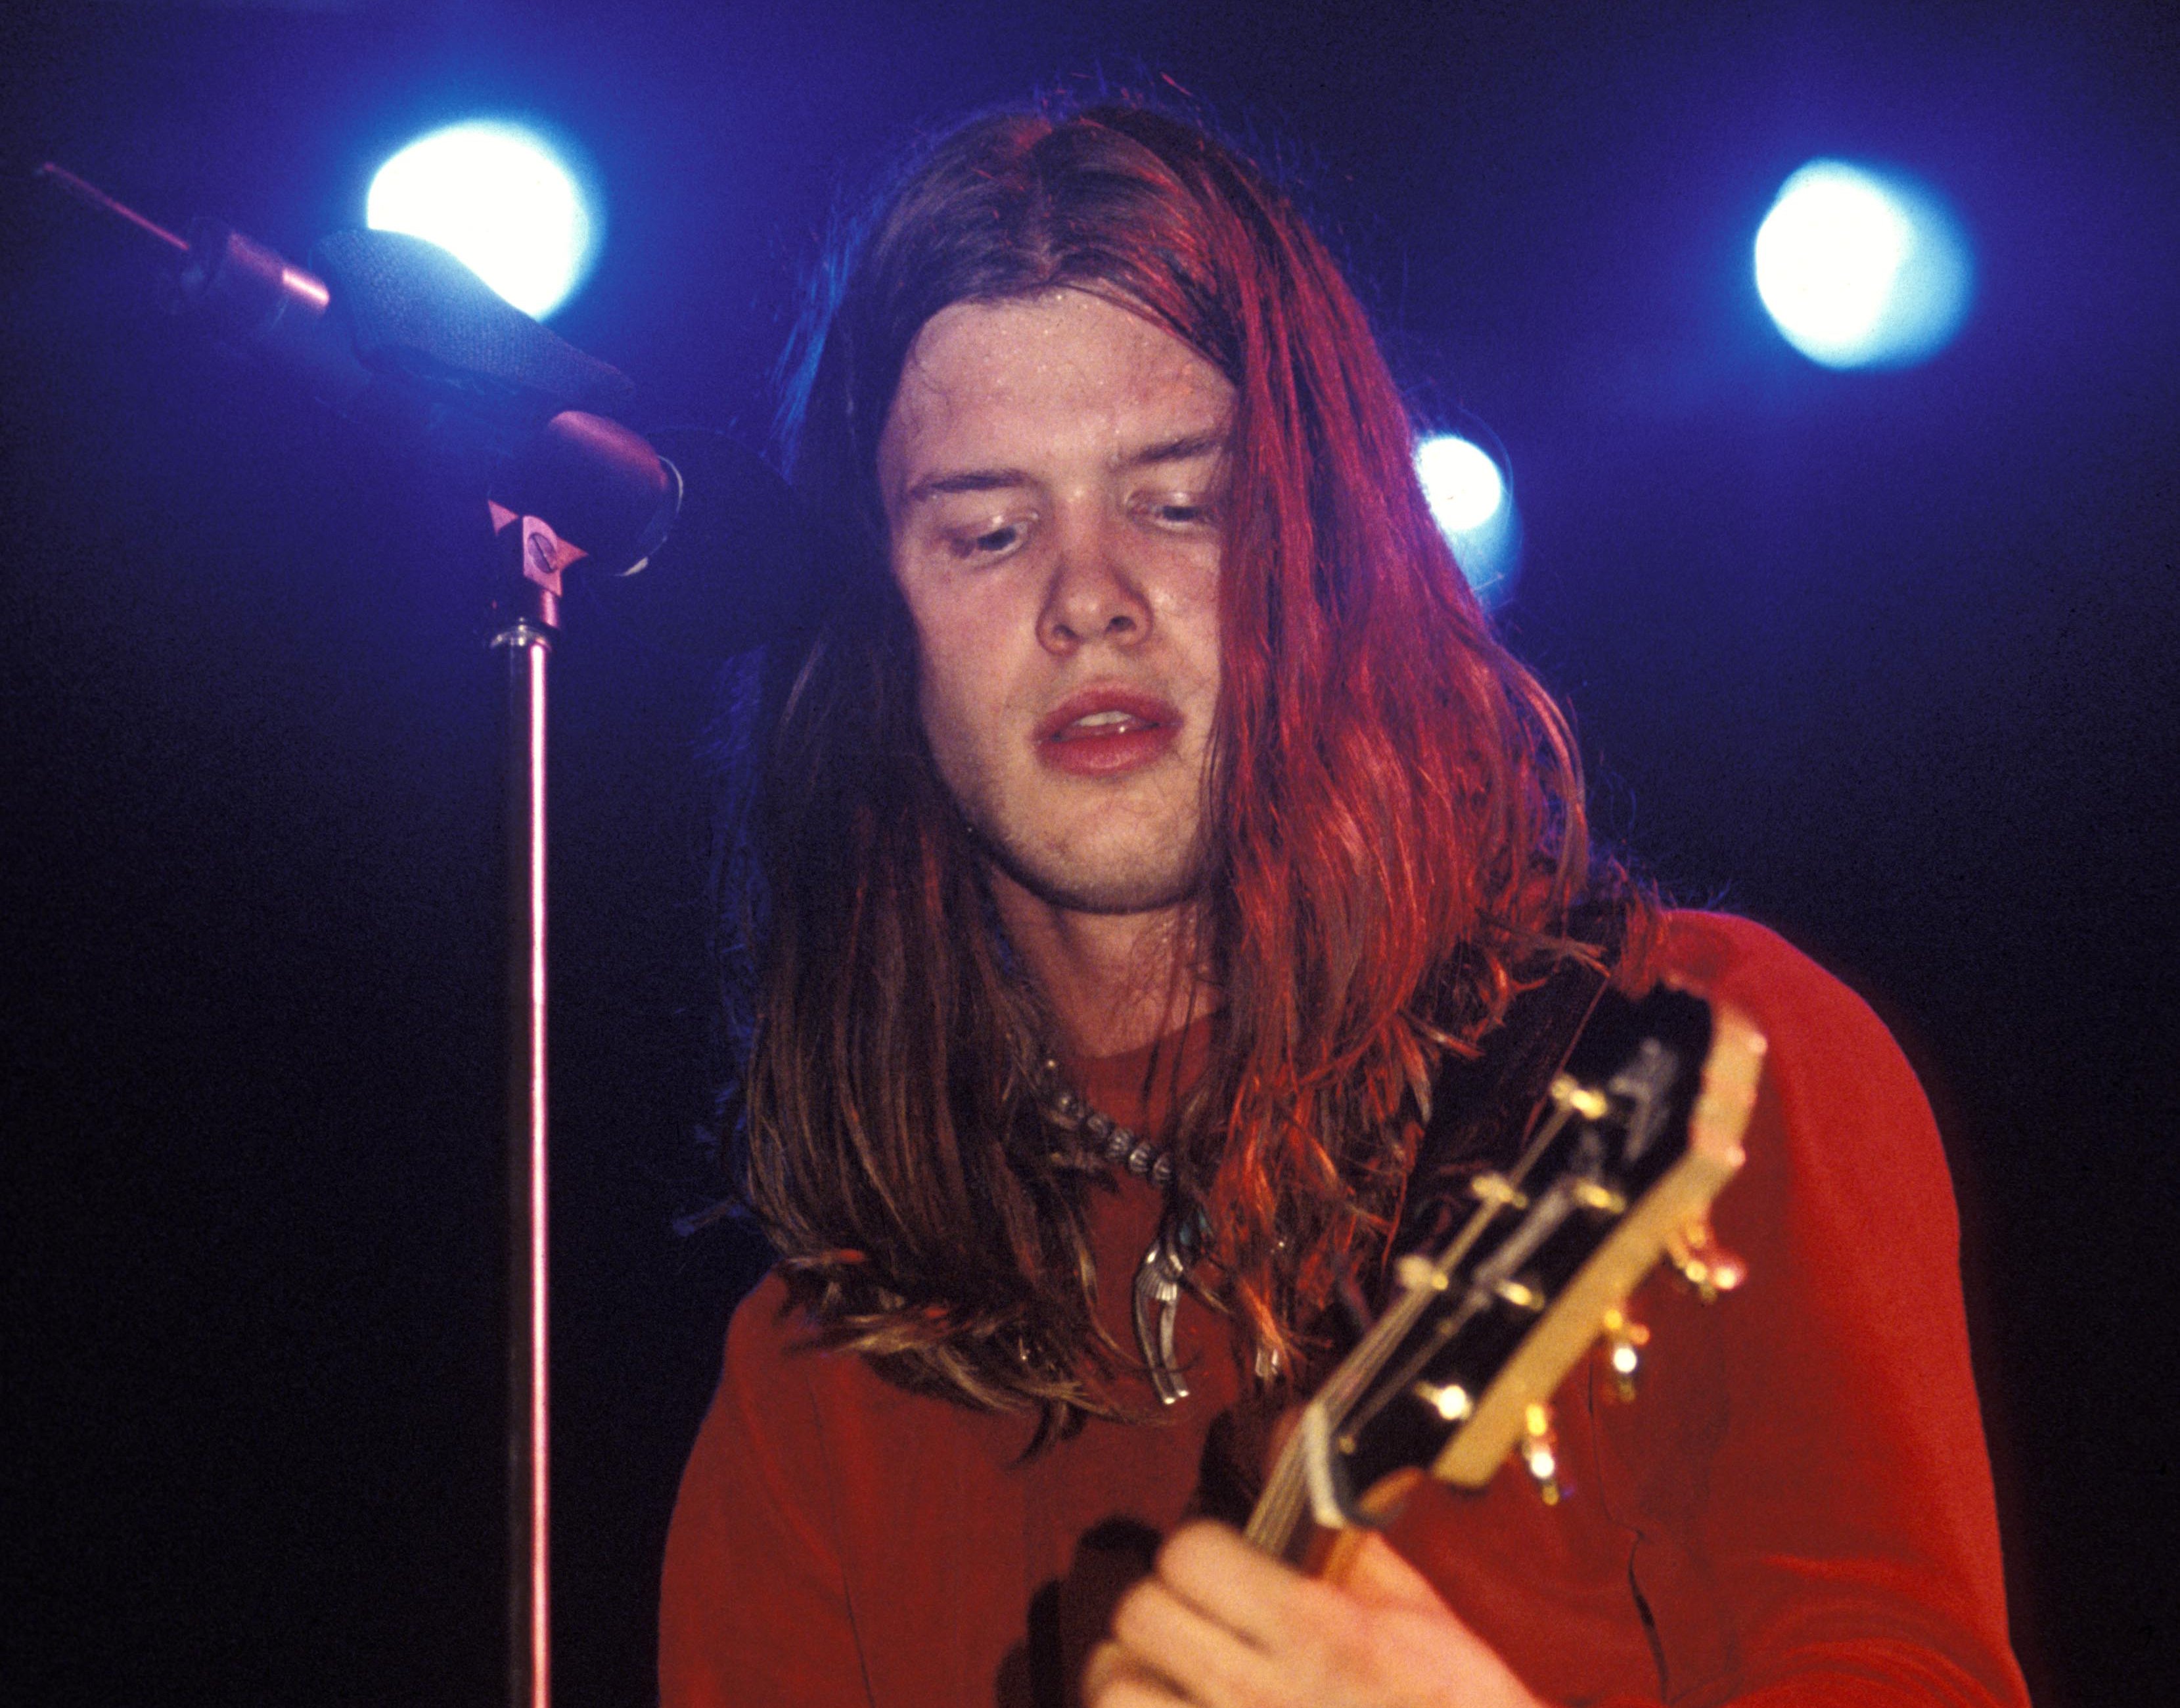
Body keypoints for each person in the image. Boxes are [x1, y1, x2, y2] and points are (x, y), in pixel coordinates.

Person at [658, 101, 2030, 1708]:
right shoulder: (819, 1379)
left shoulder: (1706, 1059)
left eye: (1181, 504)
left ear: (1325, 546)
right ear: (878, 642)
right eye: (989, 529)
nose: (1088, 595)